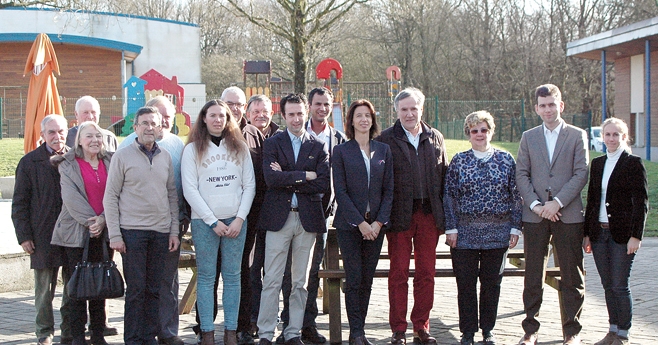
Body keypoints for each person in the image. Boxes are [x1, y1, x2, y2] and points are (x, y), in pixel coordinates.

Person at [516, 84, 589, 345]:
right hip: (535, 216)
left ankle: (572, 331)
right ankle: (530, 330)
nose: (547, 109)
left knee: (572, 275)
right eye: (542, 105)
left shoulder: (577, 135)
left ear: (561, 105)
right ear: (536, 108)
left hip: (567, 215)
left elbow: (581, 173)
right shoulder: (528, 136)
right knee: (533, 274)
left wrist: (556, 203)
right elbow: (521, 173)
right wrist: (537, 205)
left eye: (551, 104)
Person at [443, 111, 523, 345]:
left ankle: (488, 330)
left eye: (484, 129)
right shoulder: (459, 160)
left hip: (498, 233)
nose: (479, 134)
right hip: (464, 233)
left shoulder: (506, 159)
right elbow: (449, 195)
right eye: (474, 130)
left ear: (491, 131)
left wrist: (515, 227)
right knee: (465, 284)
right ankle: (467, 331)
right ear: (468, 134)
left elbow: (516, 195)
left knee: (491, 284)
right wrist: (451, 227)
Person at [375, 87, 447, 345]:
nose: (409, 113)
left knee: (427, 273)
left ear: (421, 109)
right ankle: (398, 329)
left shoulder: (435, 137)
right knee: (398, 274)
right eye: (404, 109)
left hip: (429, 216)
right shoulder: (385, 139)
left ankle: (421, 326)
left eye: (413, 108)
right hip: (399, 216)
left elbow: (444, 179)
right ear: (397, 111)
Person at [256, 93, 330, 345]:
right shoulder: (273, 143)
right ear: (283, 115)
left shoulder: (318, 146)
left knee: (300, 282)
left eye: (300, 113)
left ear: (306, 113)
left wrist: (290, 176)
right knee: (272, 280)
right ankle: (265, 333)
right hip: (279, 219)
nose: (296, 119)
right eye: (291, 114)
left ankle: (293, 332)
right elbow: (271, 179)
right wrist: (304, 175)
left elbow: (321, 183)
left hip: (307, 221)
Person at [104, 106, 180, 345]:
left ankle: (149, 337)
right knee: (136, 290)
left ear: (160, 128)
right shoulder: (122, 156)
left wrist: (174, 231)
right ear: (135, 127)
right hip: (132, 233)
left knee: (155, 289)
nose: (149, 128)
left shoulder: (165, 157)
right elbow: (110, 196)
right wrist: (115, 234)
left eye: (154, 124)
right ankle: (134, 339)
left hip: (160, 232)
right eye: (144, 123)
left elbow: (171, 196)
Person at [182, 99, 256, 345]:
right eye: (212, 115)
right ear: (203, 118)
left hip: (236, 222)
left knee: (233, 277)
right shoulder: (192, 149)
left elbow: (249, 186)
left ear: (228, 119)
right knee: (206, 278)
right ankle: (207, 332)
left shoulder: (240, 148)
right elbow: (190, 190)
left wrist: (239, 219)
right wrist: (213, 222)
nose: (217, 120)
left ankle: (231, 332)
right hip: (204, 223)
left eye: (222, 116)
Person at [332, 99, 394, 345]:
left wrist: (378, 223)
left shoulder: (383, 150)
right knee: (354, 278)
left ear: (373, 119)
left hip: (376, 228)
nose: (364, 119)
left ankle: (360, 330)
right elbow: (341, 191)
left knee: (367, 280)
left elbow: (389, 191)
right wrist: (361, 223)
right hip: (351, 226)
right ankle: (355, 332)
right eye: (359, 115)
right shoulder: (341, 151)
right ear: (351, 120)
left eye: (368, 115)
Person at [583, 118, 647, 345]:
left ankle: (623, 333)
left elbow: (641, 203)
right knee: (607, 284)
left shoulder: (633, 163)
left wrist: (636, 236)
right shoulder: (598, 163)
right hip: (600, 235)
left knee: (620, 285)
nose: (611, 139)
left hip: (622, 236)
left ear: (624, 137)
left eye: (615, 135)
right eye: (607, 134)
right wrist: (587, 233)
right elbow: (592, 200)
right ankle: (611, 330)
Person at [51, 121, 113, 345]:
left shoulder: (111, 161)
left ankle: (98, 334)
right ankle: (77, 337)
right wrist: (93, 223)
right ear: (78, 140)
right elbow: (71, 198)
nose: (95, 140)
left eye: (98, 136)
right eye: (89, 136)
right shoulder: (67, 164)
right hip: (75, 235)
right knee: (77, 288)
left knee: (99, 287)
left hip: (104, 233)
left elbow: (118, 192)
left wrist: (104, 220)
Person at [12, 114, 72, 345]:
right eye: (51, 132)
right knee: (44, 291)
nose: (57, 137)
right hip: (42, 234)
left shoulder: (75, 158)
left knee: (72, 288)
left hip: (71, 234)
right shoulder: (29, 162)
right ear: (42, 135)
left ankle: (69, 331)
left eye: (61, 131)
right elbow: (20, 203)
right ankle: (44, 332)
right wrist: (24, 236)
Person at [246, 94, 283, 339]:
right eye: (256, 110)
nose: (261, 114)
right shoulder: (240, 136)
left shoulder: (281, 137)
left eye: (265, 110)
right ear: (248, 114)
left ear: (272, 113)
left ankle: (274, 317)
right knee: (251, 270)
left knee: (276, 272)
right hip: (249, 216)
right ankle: (252, 319)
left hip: (279, 215)